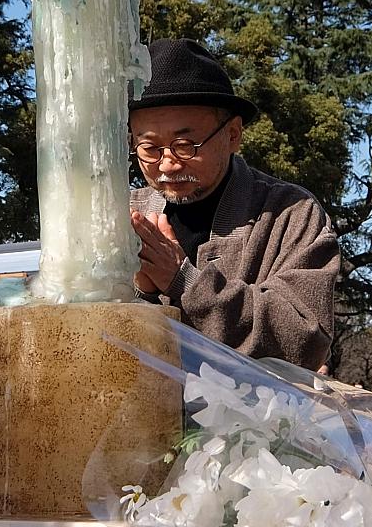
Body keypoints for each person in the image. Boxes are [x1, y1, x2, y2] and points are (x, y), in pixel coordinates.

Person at [128, 39, 338, 370]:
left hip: (256, 422)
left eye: (185, 145)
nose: (167, 165)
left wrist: (184, 282)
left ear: (233, 135)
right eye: (149, 148)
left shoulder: (291, 213)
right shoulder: (124, 214)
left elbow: (305, 340)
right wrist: (144, 296)